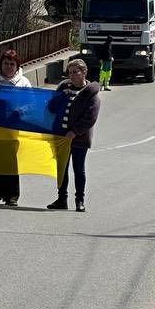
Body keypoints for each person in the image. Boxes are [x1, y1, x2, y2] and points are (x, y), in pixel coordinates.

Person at [47, 58, 101, 213]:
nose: (72, 75)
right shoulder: (64, 88)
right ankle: (61, 199)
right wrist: (60, 98)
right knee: (62, 168)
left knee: (79, 169)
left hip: (79, 138)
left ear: (84, 72)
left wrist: (75, 131)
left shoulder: (91, 93)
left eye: (76, 72)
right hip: (62, 137)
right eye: (70, 72)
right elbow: (51, 108)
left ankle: (80, 200)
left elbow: (90, 118)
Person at [0, 49, 32, 207]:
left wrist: (22, 110)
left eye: (12, 64)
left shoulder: (23, 83)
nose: (9, 67)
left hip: (11, 130)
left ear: (17, 66)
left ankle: (12, 196)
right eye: (6, 63)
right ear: (0, 64)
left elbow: (32, 103)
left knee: (10, 163)